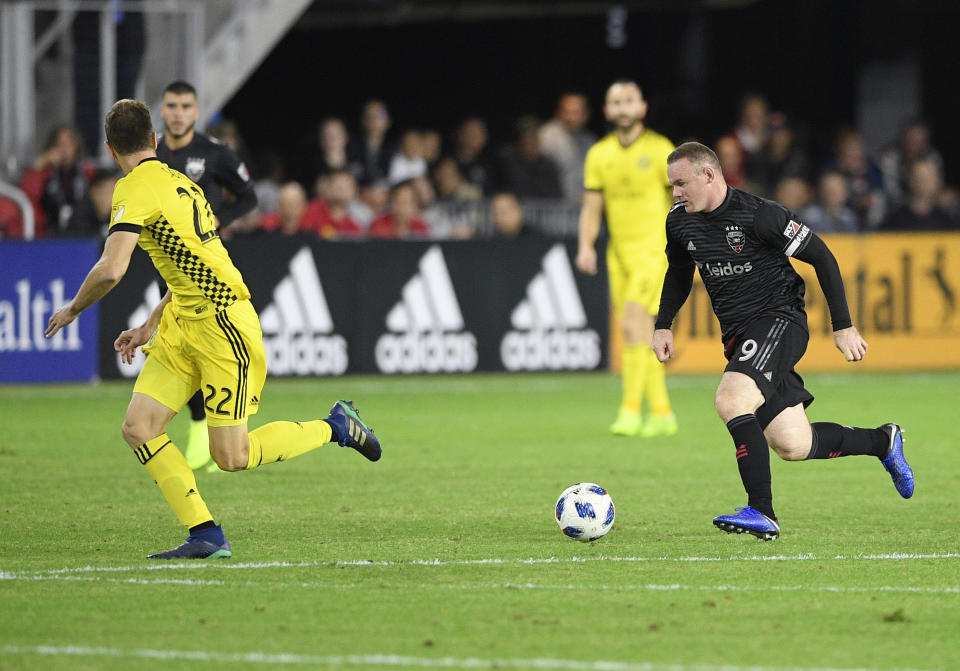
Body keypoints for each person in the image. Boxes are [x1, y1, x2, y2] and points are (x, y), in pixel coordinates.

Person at [44, 99, 382, 560]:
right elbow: (192, 265)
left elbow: (111, 268)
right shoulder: (181, 184)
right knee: (139, 427)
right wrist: (150, 323)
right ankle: (205, 533)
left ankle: (336, 426)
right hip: (184, 320)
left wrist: (73, 309)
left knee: (232, 457)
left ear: (109, 148)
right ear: (155, 140)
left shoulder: (133, 189)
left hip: (223, 324)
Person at [652, 142, 913, 541]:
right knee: (793, 443)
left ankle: (761, 512)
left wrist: (843, 325)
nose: (675, 193)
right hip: (740, 337)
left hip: (779, 320)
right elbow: (679, 270)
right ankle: (884, 441)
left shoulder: (761, 215)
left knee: (731, 400)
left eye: (681, 183)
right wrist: (664, 323)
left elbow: (822, 256)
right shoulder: (679, 221)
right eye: (672, 186)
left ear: (708, 175)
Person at [157, 80, 259, 469]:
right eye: (172, 105)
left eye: (185, 105)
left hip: (205, 268)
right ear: (163, 111)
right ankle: (200, 424)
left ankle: (212, 427)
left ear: (196, 111)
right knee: (180, 342)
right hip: (166, 265)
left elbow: (248, 195)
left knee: (209, 345)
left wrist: (220, 220)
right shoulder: (152, 156)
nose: (179, 112)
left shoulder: (215, 153)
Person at [576, 80, 678, 438]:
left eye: (629, 101)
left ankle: (630, 409)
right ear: (606, 110)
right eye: (616, 102)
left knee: (633, 325)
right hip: (618, 254)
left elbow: (678, 199)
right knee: (639, 333)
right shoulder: (599, 154)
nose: (623, 108)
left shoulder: (660, 148)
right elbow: (592, 207)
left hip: (654, 250)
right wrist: (585, 245)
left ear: (642, 107)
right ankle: (663, 413)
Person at [19, 124, 97, 237]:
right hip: (47, 233)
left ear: (77, 146)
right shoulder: (44, 173)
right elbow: (27, 197)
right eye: (59, 145)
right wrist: (40, 165)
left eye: (68, 144)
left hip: (85, 232)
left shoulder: (88, 172)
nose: (64, 149)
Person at [538, 92, 597, 203]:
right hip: (552, 206)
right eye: (567, 112)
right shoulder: (546, 135)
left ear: (586, 114)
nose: (571, 117)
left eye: (576, 112)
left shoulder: (589, 140)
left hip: (580, 207)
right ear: (558, 113)